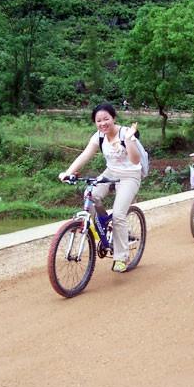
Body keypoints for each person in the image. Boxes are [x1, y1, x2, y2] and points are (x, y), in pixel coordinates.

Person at [59, 103, 142, 273]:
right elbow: (85, 155)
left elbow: (135, 160)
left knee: (119, 214)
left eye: (106, 119)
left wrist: (129, 140)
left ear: (113, 118)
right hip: (111, 172)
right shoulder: (99, 136)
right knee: (90, 194)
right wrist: (68, 172)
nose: (103, 123)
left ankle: (121, 257)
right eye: (98, 120)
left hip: (130, 175)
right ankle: (104, 223)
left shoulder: (126, 133)